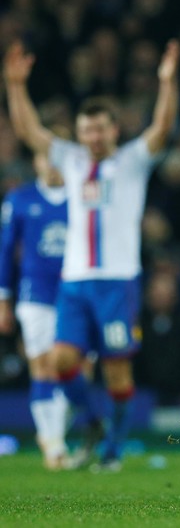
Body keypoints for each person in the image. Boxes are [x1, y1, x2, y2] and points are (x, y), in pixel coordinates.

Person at [3, 38, 180, 471]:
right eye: (86, 130)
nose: (93, 137)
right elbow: (30, 132)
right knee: (61, 360)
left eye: (100, 129)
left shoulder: (133, 160)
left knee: (117, 373)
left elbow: (161, 128)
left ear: (113, 130)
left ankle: (113, 447)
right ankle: (93, 421)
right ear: (79, 133)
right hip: (75, 282)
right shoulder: (71, 159)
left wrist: (167, 83)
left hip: (118, 282)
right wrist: (14, 86)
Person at [0, 153, 68, 469]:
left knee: (74, 369)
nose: (53, 163)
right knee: (42, 364)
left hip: (76, 293)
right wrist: (3, 298)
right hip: (35, 294)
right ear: (37, 161)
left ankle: (58, 434)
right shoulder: (20, 198)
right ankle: (52, 443)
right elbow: (4, 248)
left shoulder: (82, 198)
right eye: (47, 156)